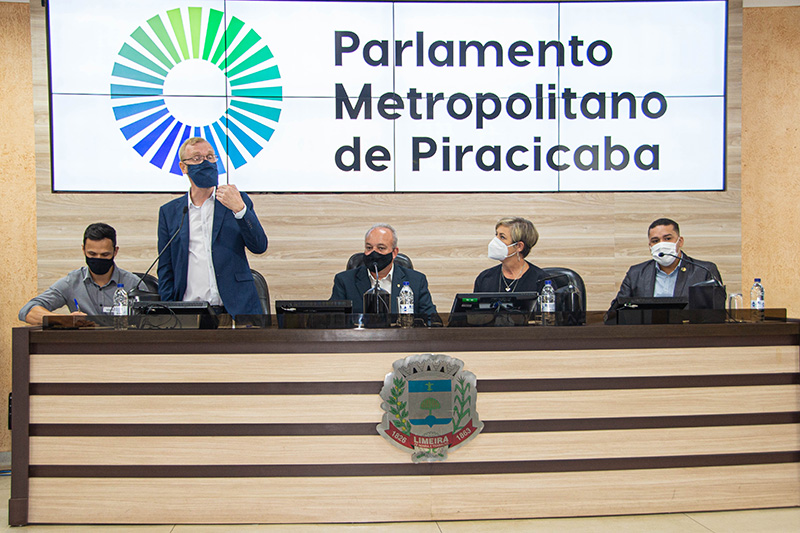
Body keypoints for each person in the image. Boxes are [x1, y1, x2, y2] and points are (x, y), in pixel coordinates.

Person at [157, 137, 268, 317]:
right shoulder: (170, 213)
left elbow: (259, 246)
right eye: (197, 158)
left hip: (237, 309)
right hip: (190, 312)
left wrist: (240, 210)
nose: (206, 162)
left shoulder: (235, 200)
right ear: (183, 167)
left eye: (210, 157)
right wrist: (170, 311)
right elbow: (166, 268)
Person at [19, 223, 142, 325]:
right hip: (84, 349)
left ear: (115, 251)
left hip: (124, 348)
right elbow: (27, 311)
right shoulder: (71, 282)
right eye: (92, 254)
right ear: (83, 250)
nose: (98, 259)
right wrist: (64, 320)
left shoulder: (133, 283)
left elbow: (154, 320)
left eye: (104, 255)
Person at [607, 217, 722, 313]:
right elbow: (616, 310)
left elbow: (716, 311)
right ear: (650, 246)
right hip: (647, 335)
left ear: (680, 241)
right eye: (655, 241)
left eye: (667, 238)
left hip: (690, 335)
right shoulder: (636, 273)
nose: (661, 244)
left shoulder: (704, 271)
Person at [331, 224, 437, 315]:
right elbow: (333, 319)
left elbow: (431, 320)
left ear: (394, 252)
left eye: (381, 248)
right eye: (369, 248)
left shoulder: (416, 281)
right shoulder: (344, 281)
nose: (374, 253)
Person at [474, 217, 547, 293]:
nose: (495, 241)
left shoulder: (541, 281)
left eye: (502, 237)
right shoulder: (485, 278)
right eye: (496, 235)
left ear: (519, 246)